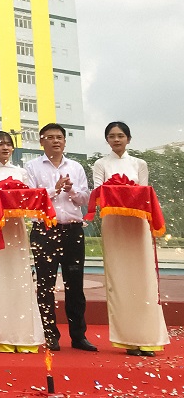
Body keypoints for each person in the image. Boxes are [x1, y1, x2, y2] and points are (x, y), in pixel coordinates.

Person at [91, 121, 169, 356]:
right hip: (113, 223)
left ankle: (148, 337)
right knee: (119, 280)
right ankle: (127, 339)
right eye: (112, 136)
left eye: (121, 135)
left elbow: (143, 193)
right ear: (106, 140)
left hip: (137, 224)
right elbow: (98, 193)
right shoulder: (100, 163)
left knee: (143, 278)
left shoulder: (139, 163)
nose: (116, 140)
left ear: (129, 139)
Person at [24, 123, 96, 352]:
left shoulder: (75, 167)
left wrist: (72, 191)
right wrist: (54, 190)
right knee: (45, 285)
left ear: (65, 142)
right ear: (41, 141)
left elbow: (85, 200)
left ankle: (78, 336)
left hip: (73, 230)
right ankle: (50, 334)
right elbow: (31, 200)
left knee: (75, 284)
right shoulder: (31, 167)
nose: (56, 141)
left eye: (60, 137)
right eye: (50, 137)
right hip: (45, 231)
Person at [0, 131, 44, 353]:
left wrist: (14, 200)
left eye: (8, 144)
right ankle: (4, 336)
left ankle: (25, 335)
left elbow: (30, 197)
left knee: (21, 278)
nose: (5, 148)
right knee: (0, 279)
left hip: (16, 229)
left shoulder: (21, 172)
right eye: (0, 144)